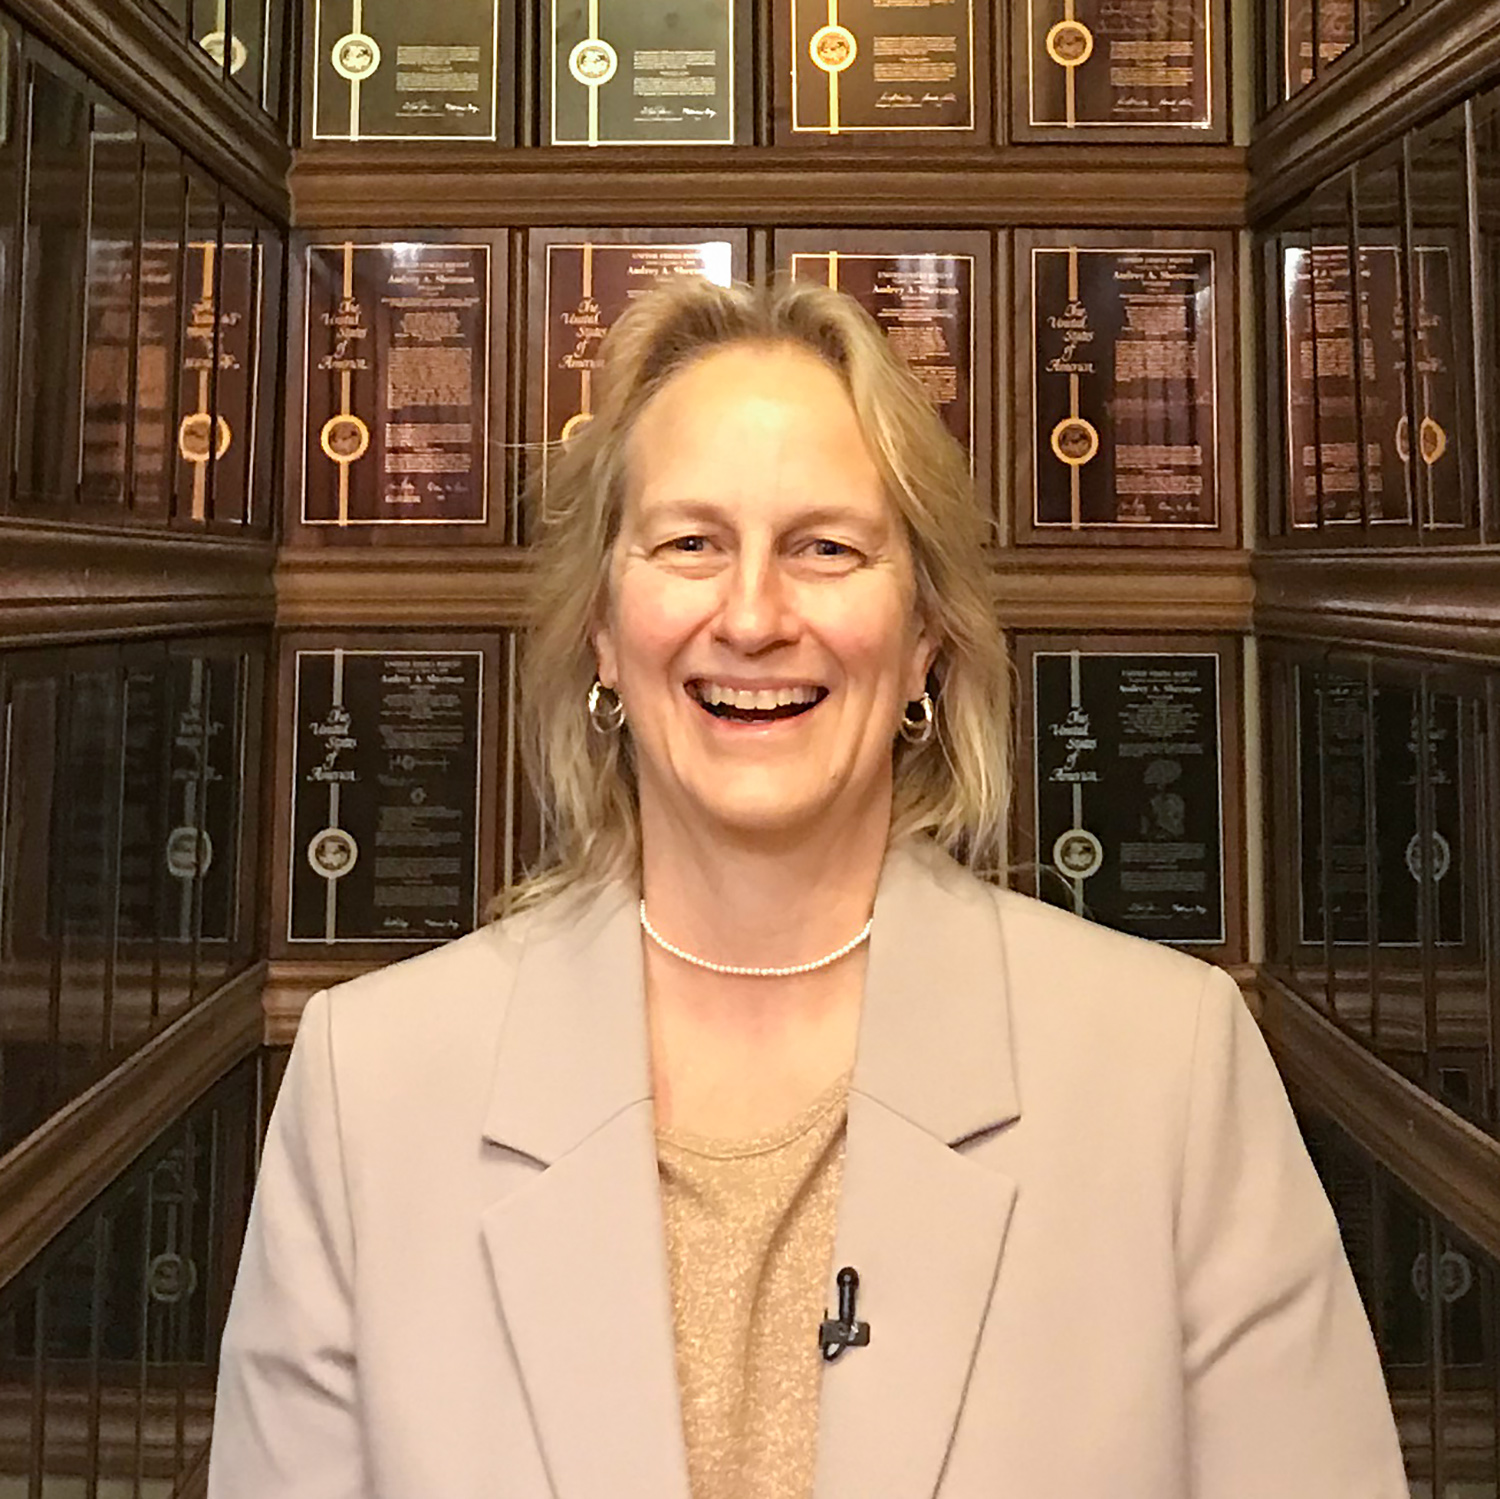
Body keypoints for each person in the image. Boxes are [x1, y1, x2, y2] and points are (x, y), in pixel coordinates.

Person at [207, 279, 1408, 1499]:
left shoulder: (1169, 1070)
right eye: (690, 544)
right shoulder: (373, 1086)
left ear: (927, 633)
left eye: (826, 548)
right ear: (604, 635)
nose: (752, 616)